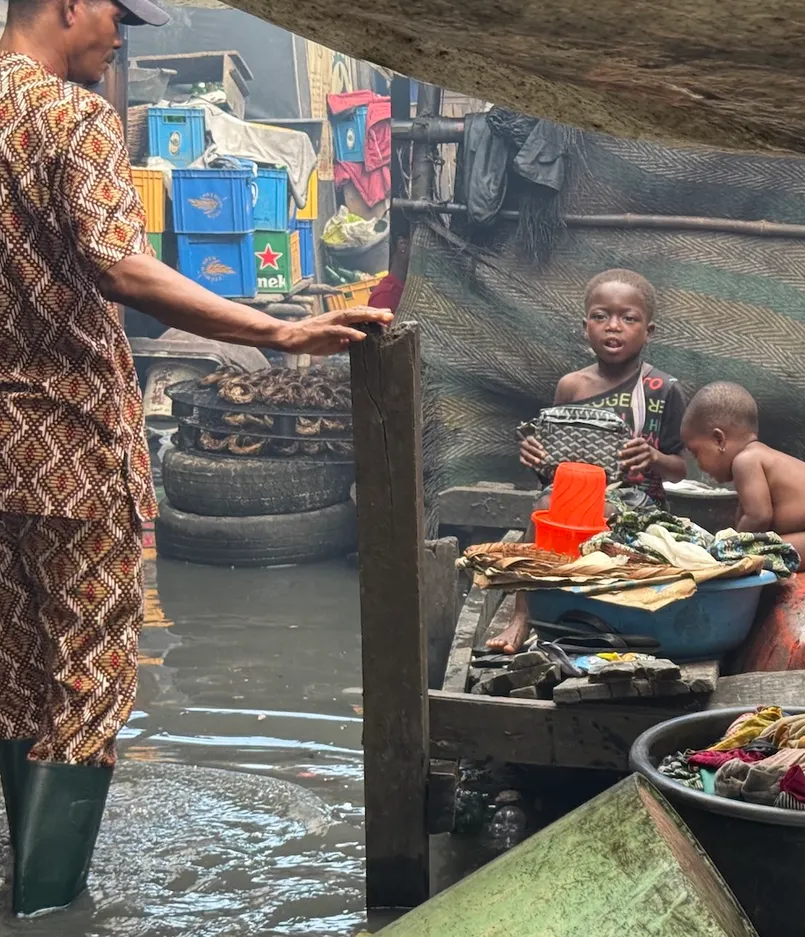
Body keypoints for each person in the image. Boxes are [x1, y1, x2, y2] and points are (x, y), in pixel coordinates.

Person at [0, 0, 392, 916]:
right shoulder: (69, 114)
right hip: (69, 444)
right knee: (87, 679)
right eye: (116, 19)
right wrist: (276, 330)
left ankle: (22, 893)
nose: (121, 38)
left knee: (16, 675)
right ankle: (52, 909)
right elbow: (120, 264)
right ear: (69, 4)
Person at [486, 268, 688, 652]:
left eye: (628, 318)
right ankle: (521, 616)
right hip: (574, 501)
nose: (614, 327)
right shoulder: (571, 386)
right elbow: (550, 471)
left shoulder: (662, 389)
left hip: (636, 505)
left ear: (649, 331)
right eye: (601, 316)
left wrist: (653, 457)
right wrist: (535, 457)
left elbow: (680, 469)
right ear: (585, 327)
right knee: (545, 505)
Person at [681, 382, 805, 571]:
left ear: (719, 439)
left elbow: (758, 517)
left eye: (696, 453)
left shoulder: (745, 461)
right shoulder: (762, 457)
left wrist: (728, 547)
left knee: (738, 561)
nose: (699, 465)